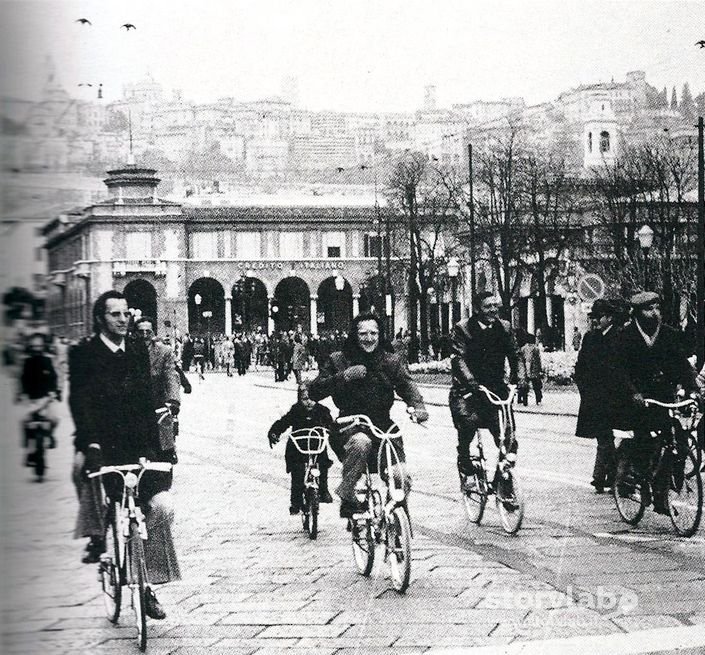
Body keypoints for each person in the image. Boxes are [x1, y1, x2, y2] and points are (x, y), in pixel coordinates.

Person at [69, 291, 179, 619]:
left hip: (135, 444)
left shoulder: (136, 350)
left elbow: (145, 401)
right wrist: (90, 443)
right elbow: (80, 401)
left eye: (124, 313)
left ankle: (148, 585)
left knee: (161, 508)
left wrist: (153, 448)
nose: (122, 319)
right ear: (101, 318)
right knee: (80, 471)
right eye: (114, 314)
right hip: (100, 441)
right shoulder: (85, 353)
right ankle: (96, 534)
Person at [309, 312, 429, 518]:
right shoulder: (339, 360)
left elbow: (407, 385)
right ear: (354, 335)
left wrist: (418, 406)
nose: (369, 338)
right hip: (350, 425)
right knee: (361, 442)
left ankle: (396, 519)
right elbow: (315, 390)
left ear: (380, 334)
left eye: (374, 333)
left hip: (383, 427)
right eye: (363, 333)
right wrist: (344, 376)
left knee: (401, 476)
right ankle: (347, 494)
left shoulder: (390, 361)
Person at [611, 291, 698, 514]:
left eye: (657, 308)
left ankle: (662, 492)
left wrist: (693, 387)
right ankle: (635, 478)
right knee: (644, 441)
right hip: (638, 399)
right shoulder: (625, 336)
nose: (655, 313)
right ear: (637, 313)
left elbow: (680, 363)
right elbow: (618, 370)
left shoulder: (668, 334)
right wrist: (632, 392)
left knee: (678, 442)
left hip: (663, 396)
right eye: (649, 309)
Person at [449, 292, 520, 481]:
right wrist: (471, 383)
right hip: (468, 391)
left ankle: (502, 482)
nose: (493, 310)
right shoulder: (463, 329)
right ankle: (463, 456)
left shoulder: (504, 328)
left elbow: (515, 354)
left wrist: (520, 378)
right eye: (488, 306)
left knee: (508, 437)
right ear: (477, 309)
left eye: (495, 306)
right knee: (468, 422)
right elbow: (459, 359)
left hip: (496, 389)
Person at [574, 299, 620, 493]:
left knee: (607, 438)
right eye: (593, 317)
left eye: (599, 317)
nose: (595, 321)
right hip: (594, 396)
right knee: (604, 437)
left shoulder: (619, 337)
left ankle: (608, 475)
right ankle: (605, 476)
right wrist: (584, 388)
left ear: (609, 318)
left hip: (614, 395)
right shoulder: (590, 337)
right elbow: (581, 365)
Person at [267, 384, 334, 514]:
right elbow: (284, 422)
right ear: (299, 399)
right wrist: (275, 432)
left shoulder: (322, 410)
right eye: (304, 399)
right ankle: (296, 501)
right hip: (298, 446)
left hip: (316, 445)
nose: (308, 402)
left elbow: (331, 425)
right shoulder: (296, 410)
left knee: (323, 464)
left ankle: (324, 490)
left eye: (311, 398)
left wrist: (333, 432)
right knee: (297, 472)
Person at [134, 316, 181, 462]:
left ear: (153, 332)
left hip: (157, 398)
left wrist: (173, 400)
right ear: (135, 333)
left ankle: (169, 451)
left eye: (148, 331)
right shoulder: (130, 350)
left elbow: (170, 375)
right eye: (141, 332)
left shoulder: (164, 351)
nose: (145, 335)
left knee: (164, 435)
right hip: (136, 399)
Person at [19, 333, 59, 465]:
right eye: (34, 346)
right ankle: (27, 447)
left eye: (39, 345)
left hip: (45, 399)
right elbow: (23, 379)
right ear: (31, 347)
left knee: (54, 419)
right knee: (24, 421)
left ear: (43, 346)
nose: (37, 348)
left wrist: (54, 391)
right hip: (32, 400)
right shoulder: (27, 362)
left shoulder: (47, 361)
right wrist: (21, 394)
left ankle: (50, 435)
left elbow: (53, 377)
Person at [517, 334, 543, 406]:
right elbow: (538, 360)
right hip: (534, 370)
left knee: (524, 386)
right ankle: (538, 400)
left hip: (525, 370)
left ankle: (524, 401)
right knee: (536, 386)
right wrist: (540, 369)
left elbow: (522, 360)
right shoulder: (536, 349)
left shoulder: (523, 348)